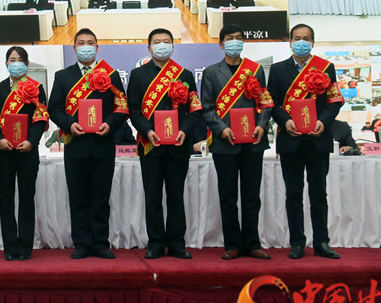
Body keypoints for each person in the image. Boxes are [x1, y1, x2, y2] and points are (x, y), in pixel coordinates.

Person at [48, 29, 129, 259]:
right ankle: (82, 244)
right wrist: (69, 124)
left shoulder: (111, 75)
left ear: (97, 47)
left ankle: (101, 243)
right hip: (76, 145)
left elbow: (122, 107)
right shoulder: (63, 76)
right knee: (78, 198)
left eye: (90, 43)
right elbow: (54, 108)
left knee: (101, 197)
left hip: (104, 145)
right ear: (74, 48)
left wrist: (110, 124)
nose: (86, 47)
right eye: (81, 43)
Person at [267, 24, 344, 260]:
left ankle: (321, 242)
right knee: (293, 194)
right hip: (290, 139)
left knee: (319, 193)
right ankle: (297, 243)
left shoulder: (326, 68)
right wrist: (285, 121)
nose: (302, 42)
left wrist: (322, 121)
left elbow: (334, 101)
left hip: (318, 138)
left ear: (313, 42)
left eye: (306, 38)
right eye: (297, 38)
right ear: (290, 42)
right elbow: (271, 103)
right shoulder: (278, 69)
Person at [127, 29, 201, 259]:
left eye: (166, 42)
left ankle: (177, 244)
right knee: (153, 197)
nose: (162, 45)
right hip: (150, 145)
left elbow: (195, 110)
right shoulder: (138, 75)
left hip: (178, 144)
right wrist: (147, 131)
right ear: (149, 48)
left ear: (173, 46)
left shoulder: (185, 75)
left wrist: (184, 131)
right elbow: (134, 110)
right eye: (157, 42)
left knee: (176, 196)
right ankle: (156, 243)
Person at [201, 25, 273, 260]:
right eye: (230, 38)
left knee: (252, 196)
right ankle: (232, 244)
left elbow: (265, 102)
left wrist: (262, 125)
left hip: (253, 141)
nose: (235, 42)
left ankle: (252, 243)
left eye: (239, 38)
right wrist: (221, 129)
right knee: (228, 196)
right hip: (225, 143)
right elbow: (207, 108)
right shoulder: (211, 72)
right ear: (221, 44)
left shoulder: (255, 70)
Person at [0, 47, 48, 261]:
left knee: (26, 198)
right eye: (12, 59)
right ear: (6, 64)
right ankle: (10, 247)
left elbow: (41, 117)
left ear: (27, 63)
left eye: (20, 59)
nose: (16, 63)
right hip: (4, 151)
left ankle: (25, 247)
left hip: (27, 152)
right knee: (6, 199)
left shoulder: (36, 88)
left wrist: (31, 141)